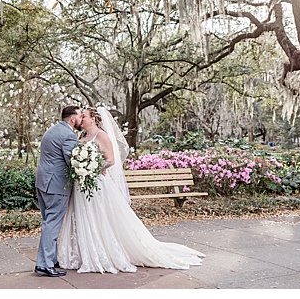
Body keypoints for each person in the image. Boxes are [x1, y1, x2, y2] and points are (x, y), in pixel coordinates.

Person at [57, 107, 205, 273]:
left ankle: (104, 251)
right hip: (82, 185)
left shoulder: (102, 136)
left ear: (93, 119)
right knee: (82, 216)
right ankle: (81, 253)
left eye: (84, 116)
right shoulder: (82, 136)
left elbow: (111, 160)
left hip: (97, 184)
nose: (80, 119)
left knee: (100, 218)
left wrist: (93, 166)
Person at [33, 106, 82, 277]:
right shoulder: (68, 135)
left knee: (48, 221)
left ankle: (50, 260)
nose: (81, 119)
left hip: (43, 182)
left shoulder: (52, 130)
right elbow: (74, 162)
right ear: (72, 119)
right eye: (80, 116)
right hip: (56, 185)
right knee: (52, 224)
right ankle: (44, 264)